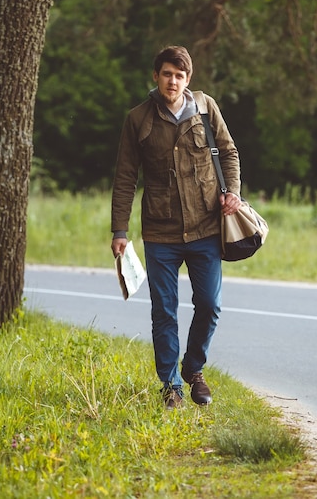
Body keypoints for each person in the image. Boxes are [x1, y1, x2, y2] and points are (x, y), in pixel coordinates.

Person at [111, 45, 241, 409]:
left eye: (179, 75)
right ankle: (171, 387)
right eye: (167, 74)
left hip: (205, 228)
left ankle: (193, 369)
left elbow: (229, 152)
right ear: (156, 76)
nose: (173, 81)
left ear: (188, 79)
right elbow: (124, 177)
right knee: (164, 311)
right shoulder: (137, 119)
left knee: (210, 305)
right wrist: (119, 231)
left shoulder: (205, 107)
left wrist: (232, 192)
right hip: (160, 233)